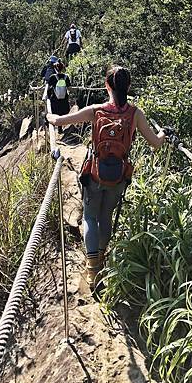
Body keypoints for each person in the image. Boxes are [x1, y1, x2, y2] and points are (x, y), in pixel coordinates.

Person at [47, 65, 172, 290]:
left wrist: (49, 115)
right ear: (128, 87)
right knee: (105, 217)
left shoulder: (96, 110)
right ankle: (101, 262)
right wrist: (163, 133)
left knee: (89, 217)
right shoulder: (136, 114)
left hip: (94, 173)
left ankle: (92, 270)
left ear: (107, 86)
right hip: (118, 176)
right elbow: (155, 142)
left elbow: (60, 121)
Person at [47, 60, 71, 132]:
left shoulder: (52, 77)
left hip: (55, 98)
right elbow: (69, 87)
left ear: (55, 68)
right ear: (62, 68)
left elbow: (48, 88)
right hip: (64, 98)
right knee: (62, 112)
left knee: (56, 112)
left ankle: (55, 127)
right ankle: (60, 128)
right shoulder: (66, 77)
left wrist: (48, 97)